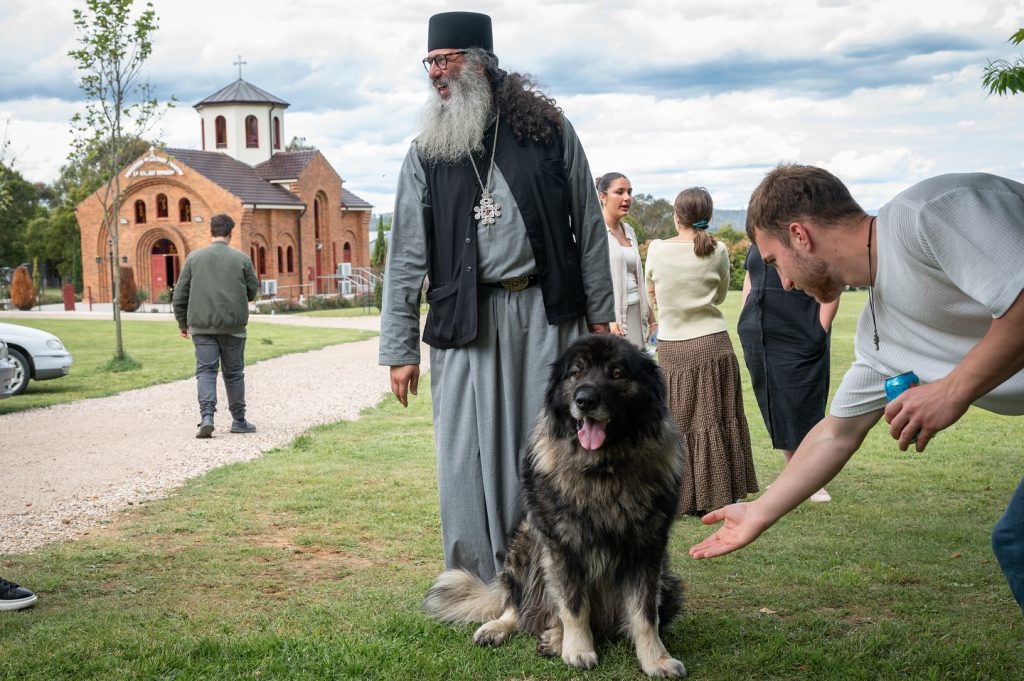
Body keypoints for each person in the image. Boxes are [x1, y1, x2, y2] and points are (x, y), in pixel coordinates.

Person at [689, 164, 1024, 613]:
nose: (784, 282)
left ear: (799, 235)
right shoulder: (878, 331)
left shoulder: (929, 214)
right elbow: (836, 433)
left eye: (775, 262)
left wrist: (952, 390)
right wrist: (760, 510)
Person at [378, 12, 614, 581]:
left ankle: (551, 577)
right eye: (430, 61)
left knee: (549, 450)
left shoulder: (548, 131)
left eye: (447, 59)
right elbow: (406, 252)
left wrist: (602, 315)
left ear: (480, 61)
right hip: (465, 320)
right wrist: (400, 347)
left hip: (546, 314)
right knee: (465, 454)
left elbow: (588, 220)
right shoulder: (426, 152)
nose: (437, 72)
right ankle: (476, 580)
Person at [645, 186, 758, 515]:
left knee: (678, 421)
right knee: (718, 419)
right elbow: (721, 296)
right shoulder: (719, 249)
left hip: (674, 346)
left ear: (676, 215)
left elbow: (653, 292)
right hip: (713, 342)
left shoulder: (657, 250)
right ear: (707, 217)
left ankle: (681, 496)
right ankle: (722, 491)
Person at [738, 243, 840, 503]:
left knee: (803, 400)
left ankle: (812, 480)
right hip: (760, 330)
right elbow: (751, 275)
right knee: (774, 401)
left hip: (800, 327)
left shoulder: (807, 237)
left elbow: (832, 279)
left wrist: (820, 329)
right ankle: (794, 474)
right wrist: (745, 313)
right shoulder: (757, 240)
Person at [172, 213, 260, 439]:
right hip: (233, 327)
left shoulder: (193, 258)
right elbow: (252, 290)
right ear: (230, 233)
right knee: (233, 374)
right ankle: (239, 420)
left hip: (202, 326)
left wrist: (183, 323)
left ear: (210, 231)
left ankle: (208, 416)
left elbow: (180, 294)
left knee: (206, 371)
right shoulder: (241, 259)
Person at [597, 172, 657, 348]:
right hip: (613, 321)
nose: (627, 198)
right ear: (603, 197)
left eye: (629, 192)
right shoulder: (595, 234)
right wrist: (607, 319)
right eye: (620, 192)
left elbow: (638, 279)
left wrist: (653, 321)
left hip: (637, 313)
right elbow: (592, 281)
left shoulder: (629, 230)